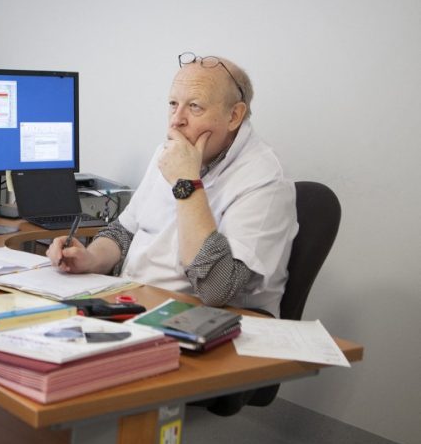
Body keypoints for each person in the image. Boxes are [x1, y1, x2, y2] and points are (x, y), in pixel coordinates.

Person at [48, 53, 297, 317]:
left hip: (207, 321)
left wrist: (186, 183)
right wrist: (91, 258)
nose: (176, 119)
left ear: (234, 116)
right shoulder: (168, 153)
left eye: (195, 107)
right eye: (173, 103)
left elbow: (215, 290)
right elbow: (124, 231)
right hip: (133, 302)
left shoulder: (265, 179)